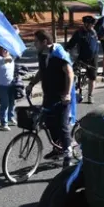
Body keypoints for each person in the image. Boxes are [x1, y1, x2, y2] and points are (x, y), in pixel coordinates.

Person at [26, 30, 75, 167]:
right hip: (48, 95)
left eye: (36, 41)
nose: (34, 44)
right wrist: (31, 84)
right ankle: (58, 148)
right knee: (48, 122)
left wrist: (67, 93)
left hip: (61, 96)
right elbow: (42, 71)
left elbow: (70, 74)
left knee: (62, 125)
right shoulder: (42, 54)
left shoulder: (59, 55)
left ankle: (68, 154)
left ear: (44, 42)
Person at [65, 16, 99, 103]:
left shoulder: (94, 32)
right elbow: (71, 43)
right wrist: (66, 51)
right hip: (82, 58)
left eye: (93, 24)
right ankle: (69, 92)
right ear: (86, 24)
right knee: (71, 73)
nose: (92, 26)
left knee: (93, 77)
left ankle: (90, 96)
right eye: (91, 24)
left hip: (93, 58)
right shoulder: (79, 33)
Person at [0, 46, 16, 130]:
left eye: (7, 49)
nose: (6, 51)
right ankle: (4, 123)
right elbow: (7, 60)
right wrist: (13, 56)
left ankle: (10, 117)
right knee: (4, 104)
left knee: (12, 102)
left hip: (10, 84)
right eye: (4, 49)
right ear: (0, 50)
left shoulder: (10, 57)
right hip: (1, 86)